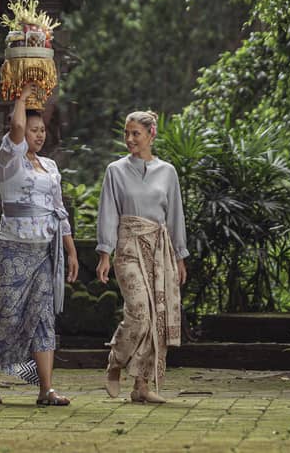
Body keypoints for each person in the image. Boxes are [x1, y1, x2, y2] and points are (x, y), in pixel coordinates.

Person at [0, 84, 79, 406]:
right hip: (13, 246)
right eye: (33, 129)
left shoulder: (50, 167)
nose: (38, 135)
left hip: (45, 248)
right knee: (8, 314)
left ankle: (46, 389)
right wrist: (22, 98)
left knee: (42, 316)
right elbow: (17, 127)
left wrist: (70, 249)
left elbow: (59, 208)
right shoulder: (9, 159)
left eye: (42, 130)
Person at [95, 110, 187, 404]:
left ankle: (142, 385)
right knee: (140, 314)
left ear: (151, 135)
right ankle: (115, 362)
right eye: (127, 133)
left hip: (160, 251)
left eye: (136, 133)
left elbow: (175, 217)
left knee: (157, 317)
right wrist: (104, 253)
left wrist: (180, 258)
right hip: (127, 247)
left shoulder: (168, 172)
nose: (130, 139)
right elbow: (108, 212)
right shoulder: (115, 170)